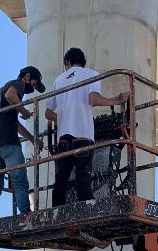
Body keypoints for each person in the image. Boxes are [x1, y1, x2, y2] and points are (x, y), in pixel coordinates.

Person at [44, 47, 130, 206]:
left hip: (63, 140)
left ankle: (54, 214)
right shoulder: (91, 73)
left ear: (67, 63)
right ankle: (87, 209)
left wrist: (63, 117)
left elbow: (48, 114)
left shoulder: (58, 80)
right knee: (83, 176)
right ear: (82, 62)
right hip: (82, 137)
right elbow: (93, 98)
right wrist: (116, 100)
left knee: (61, 180)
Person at [0, 66, 46, 220]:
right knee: (19, 179)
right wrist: (24, 111)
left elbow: (15, 124)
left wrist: (32, 139)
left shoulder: (1, 92)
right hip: (8, 142)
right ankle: (25, 214)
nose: (31, 89)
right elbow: (11, 95)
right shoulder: (17, 84)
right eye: (33, 84)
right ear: (26, 76)